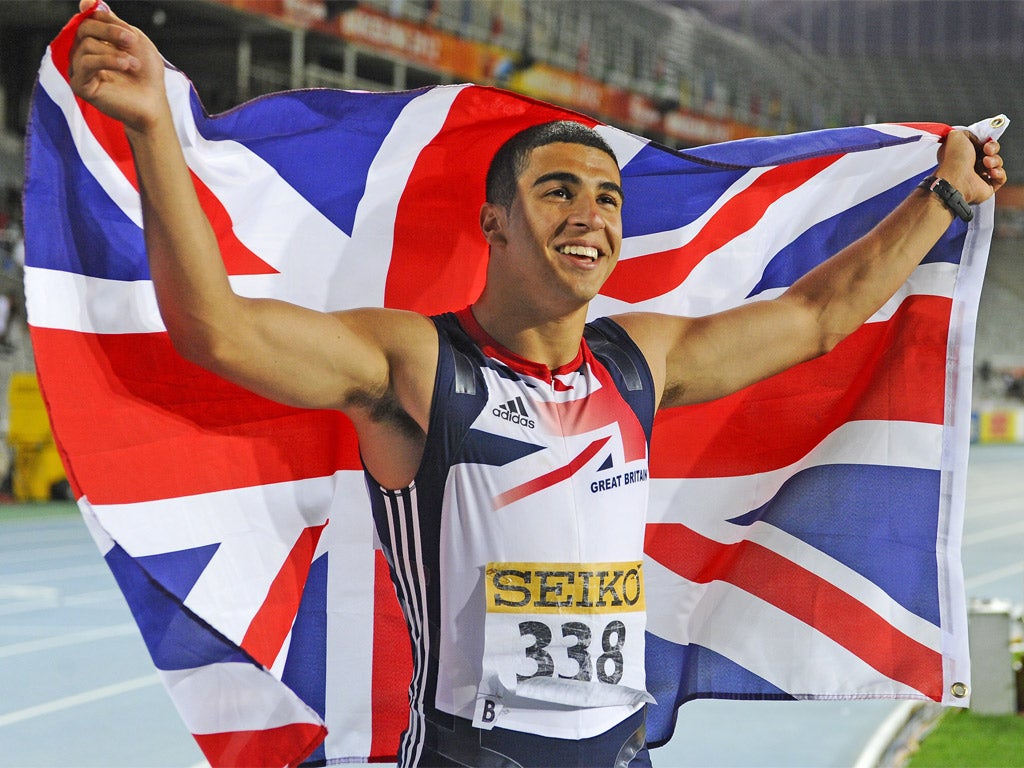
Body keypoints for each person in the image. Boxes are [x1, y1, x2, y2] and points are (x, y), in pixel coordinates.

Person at [68, 2, 1005, 766]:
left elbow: (817, 318)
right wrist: (153, 127)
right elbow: (216, 330)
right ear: (496, 223)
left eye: (607, 197)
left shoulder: (638, 362)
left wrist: (945, 199)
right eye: (558, 190)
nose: (590, 215)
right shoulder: (419, 366)